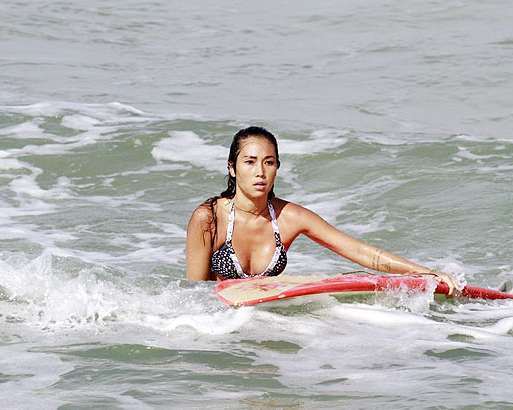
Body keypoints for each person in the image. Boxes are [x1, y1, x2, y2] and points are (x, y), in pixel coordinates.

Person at [185, 126, 459, 294]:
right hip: (220, 325)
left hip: (265, 320)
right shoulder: (208, 219)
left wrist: (424, 273)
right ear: (232, 168)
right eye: (249, 162)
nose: (260, 172)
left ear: (277, 168)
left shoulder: (289, 217)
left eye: (269, 162)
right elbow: (195, 293)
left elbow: (359, 251)